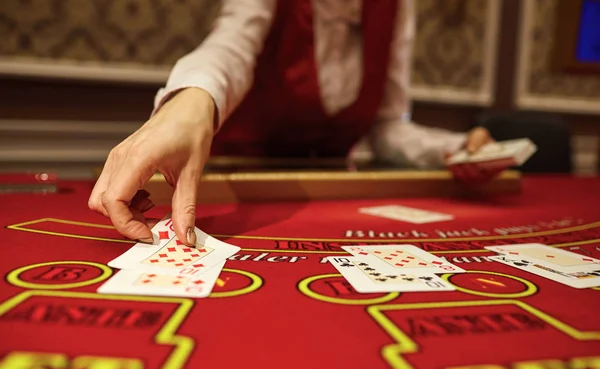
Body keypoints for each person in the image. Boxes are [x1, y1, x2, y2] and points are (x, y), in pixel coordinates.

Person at [89, 0, 497, 246]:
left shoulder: (396, 6)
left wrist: (453, 148)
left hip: (331, 198)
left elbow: (390, 126)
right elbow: (230, 45)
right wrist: (191, 101)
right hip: (238, 191)